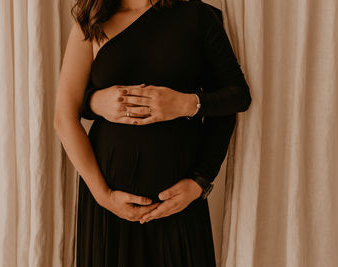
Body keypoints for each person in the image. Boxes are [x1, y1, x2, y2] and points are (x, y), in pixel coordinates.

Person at [54, 0, 251, 266]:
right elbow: (64, 118)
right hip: (108, 206)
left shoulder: (197, 16)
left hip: (178, 202)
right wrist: (104, 196)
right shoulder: (92, 20)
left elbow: (236, 98)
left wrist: (200, 181)